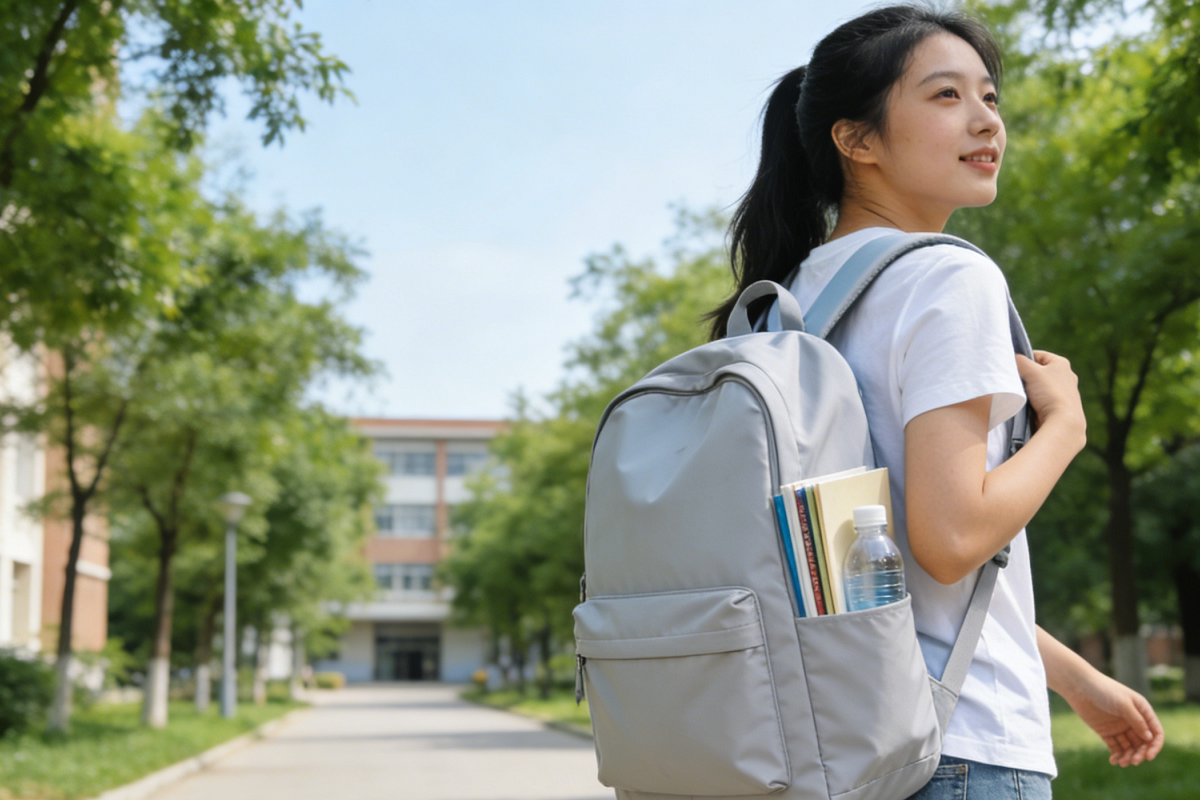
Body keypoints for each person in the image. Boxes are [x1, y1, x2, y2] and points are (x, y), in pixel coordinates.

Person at [702, 4, 1165, 798]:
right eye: (947, 95)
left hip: (830, 745)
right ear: (857, 140)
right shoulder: (949, 276)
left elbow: (860, 567)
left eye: (989, 96)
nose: (987, 120)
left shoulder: (785, 309)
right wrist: (1066, 426)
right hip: (957, 747)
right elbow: (950, 540)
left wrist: (1074, 678)